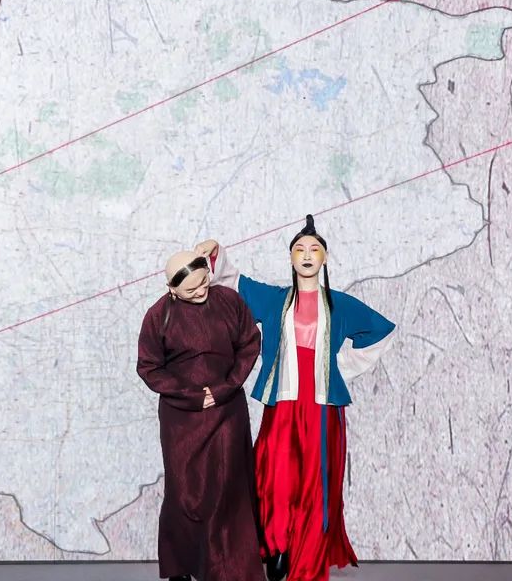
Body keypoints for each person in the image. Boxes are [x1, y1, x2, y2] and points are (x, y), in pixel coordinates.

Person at [197, 215, 396, 581]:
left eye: (314, 249)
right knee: (275, 475)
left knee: (314, 481)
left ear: (325, 258)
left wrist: (338, 366)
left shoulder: (340, 304)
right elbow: (234, 282)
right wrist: (215, 253)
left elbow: (381, 332)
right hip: (283, 404)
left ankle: (307, 552)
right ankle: (277, 546)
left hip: (322, 408)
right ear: (290, 257)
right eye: (299, 249)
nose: (306, 255)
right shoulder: (275, 300)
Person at [136, 250, 264, 581]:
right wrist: (192, 395)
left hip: (227, 411)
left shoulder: (229, 301)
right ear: (171, 289)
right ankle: (181, 566)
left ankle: (231, 568)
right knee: (183, 492)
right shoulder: (158, 316)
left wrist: (225, 387)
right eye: (191, 289)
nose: (201, 291)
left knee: (228, 487)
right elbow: (149, 366)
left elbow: (249, 343)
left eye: (204, 282)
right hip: (181, 419)